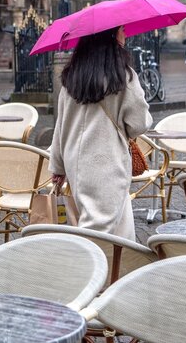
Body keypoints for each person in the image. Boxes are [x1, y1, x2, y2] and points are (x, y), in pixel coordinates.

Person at [49, 27, 151, 240]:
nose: (125, 35)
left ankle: (122, 270)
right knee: (97, 234)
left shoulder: (71, 77)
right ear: (111, 36)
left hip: (74, 161)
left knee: (120, 228)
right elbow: (139, 124)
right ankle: (91, 273)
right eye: (122, 31)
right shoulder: (123, 77)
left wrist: (58, 166)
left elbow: (61, 125)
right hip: (106, 163)